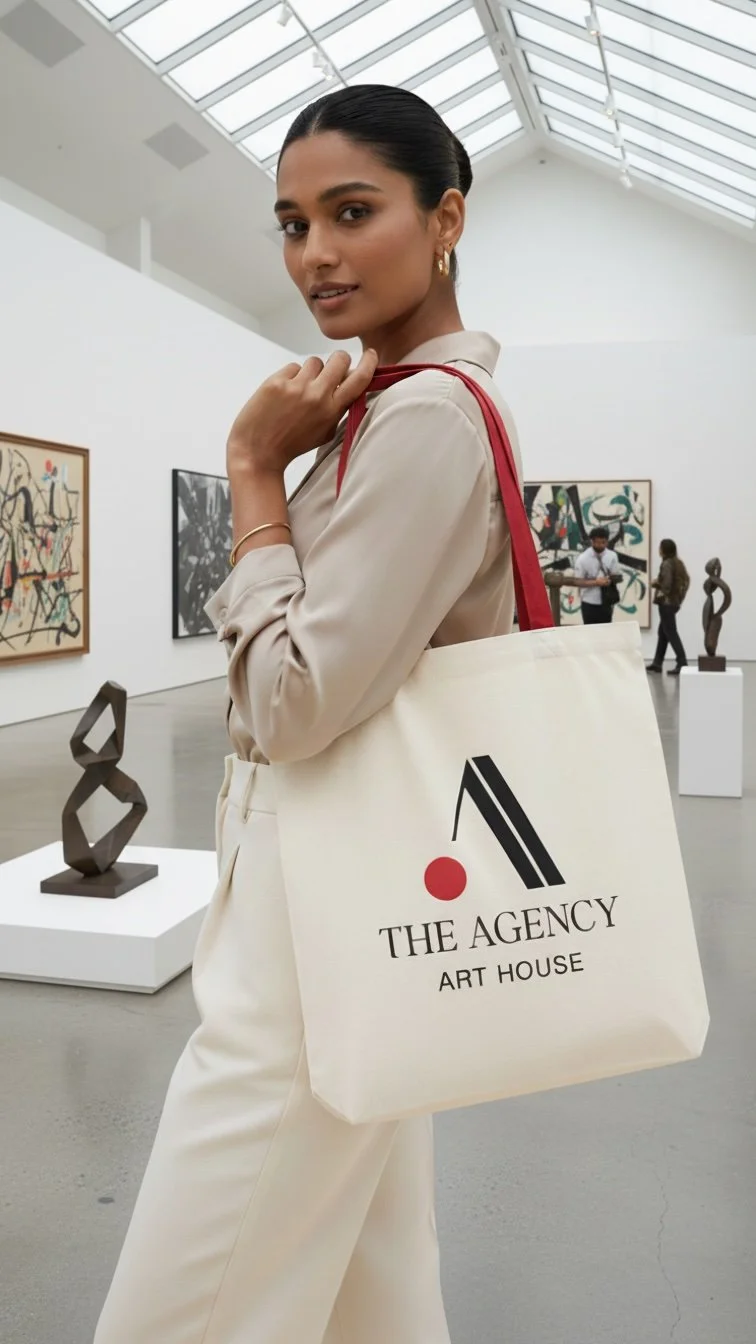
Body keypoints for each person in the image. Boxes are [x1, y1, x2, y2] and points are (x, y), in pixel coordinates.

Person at [94, 85, 522, 1344]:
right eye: (291, 224)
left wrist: (249, 476)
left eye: (352, 212)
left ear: (446, 219)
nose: (314, 257)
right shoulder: (379, 413)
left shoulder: (430, 418)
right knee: (369, 1294)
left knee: (182, 1303)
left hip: (322, 925)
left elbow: (291, 707)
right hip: (349, 902)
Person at [647, 538, 690, 675]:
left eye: (660, 548)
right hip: (674, 603)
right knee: (663, 633)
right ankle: (657, 663)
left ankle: (682, 662)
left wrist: (655, 583)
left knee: (670, 632)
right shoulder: (679, 563)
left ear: (663, 550)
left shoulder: (666, 564)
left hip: (666, 603)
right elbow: (686, 581)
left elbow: (666, 585)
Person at [573, 526, 622, 624]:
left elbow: (617, 576)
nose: (600, 545)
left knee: (606, 633)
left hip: (607, 601)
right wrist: (596, 582)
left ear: (607, 542)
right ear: (592, 541)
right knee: (590, 634)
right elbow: (577, 581)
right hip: (588, 601)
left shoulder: (612, 556)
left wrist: (611, 579)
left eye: (603, 542)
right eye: (597, 542)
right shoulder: (583, 558)